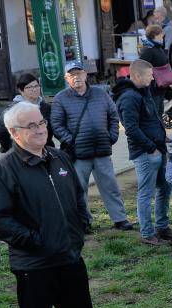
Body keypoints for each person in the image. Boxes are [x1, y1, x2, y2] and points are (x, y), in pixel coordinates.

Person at [0, 102, 123, 308]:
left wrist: (80, 226)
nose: (40, 130)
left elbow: (78, 196)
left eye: (41, 123)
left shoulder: (59, 158)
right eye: (31, 126)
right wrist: (34, 240)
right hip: (34, 264)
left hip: (69, 255)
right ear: (14, 133)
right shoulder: (3, 170)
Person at [51, 61, 132, 231]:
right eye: (72, 75)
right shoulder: (60, 98)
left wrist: (112, 136)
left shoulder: (100, 93)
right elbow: (57, 125)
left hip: (102, 149)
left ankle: (120, 218)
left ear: (85, 75)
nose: (76, 77)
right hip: (78, 153)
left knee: (110, 186)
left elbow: (113, 115)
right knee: (79, 189)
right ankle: (84, 221)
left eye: (79, 73)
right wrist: (71, 141)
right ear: (66, 78)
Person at [112, 60, 172, 245]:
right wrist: (150, 147)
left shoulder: (143, 91)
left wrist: (162, 138)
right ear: (137, 76)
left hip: (157, 148)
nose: (152, 78)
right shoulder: (129, 97)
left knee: (164, 188)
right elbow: (131, 128)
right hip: (146, 153)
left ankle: (162, 227)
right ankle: (147, 233)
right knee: (146, 194)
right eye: (149, 75)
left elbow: (150, 119)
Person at [0, 73, 54, 153]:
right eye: (29, 87)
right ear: (21, 91)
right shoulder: (13, 109)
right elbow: (0, 133)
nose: (34, 89)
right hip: (22, 152)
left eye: (36, 86)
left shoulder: (46, 107)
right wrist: (11, 148)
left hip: (46, 149)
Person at [139, 24, 172, 114]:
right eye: (160, 35)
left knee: (159, 113)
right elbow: (142, 68)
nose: (163, 37)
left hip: (160, 88)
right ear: (154, 35)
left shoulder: (158, 48)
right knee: (154, 114)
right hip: (152, 89)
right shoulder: (148, 50)